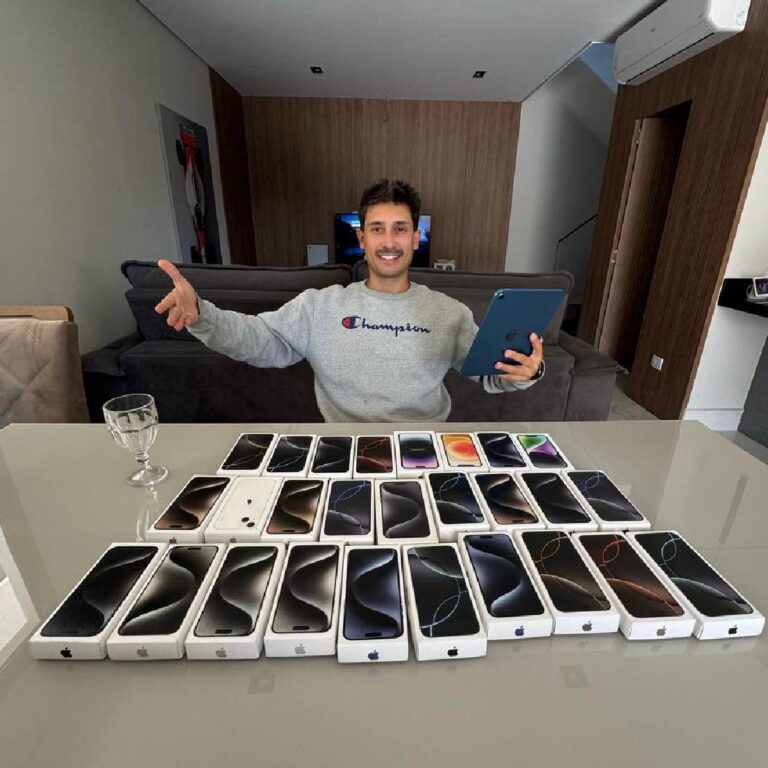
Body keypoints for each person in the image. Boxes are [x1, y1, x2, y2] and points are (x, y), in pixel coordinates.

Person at [154, 178, 545, 422]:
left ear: (415, 239)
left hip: (424, 449)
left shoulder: (450, 312)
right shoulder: (318, 306)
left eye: (400, 229)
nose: (389, 241)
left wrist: (528, 371)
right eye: (377, 229)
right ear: (362, 239)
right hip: (344, 450)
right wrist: (201, 314)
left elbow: (492, 376)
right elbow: (259, 340)